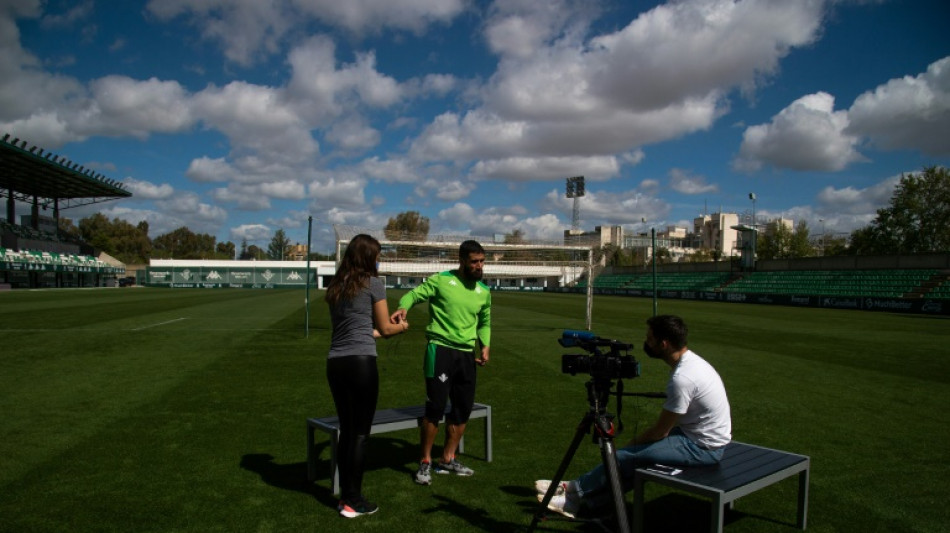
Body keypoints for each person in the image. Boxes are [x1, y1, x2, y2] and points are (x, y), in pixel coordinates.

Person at [537, 314, 731, 518]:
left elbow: (660, 431)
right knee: (636, 463)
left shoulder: (683, 378)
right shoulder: (693, 362)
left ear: (663, 344)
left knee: (623, 457)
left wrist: (633, 444)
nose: (646, 343)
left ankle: (573, 490)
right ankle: (586, 502)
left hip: (703, 447)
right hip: (701, 436)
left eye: (650, 339)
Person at [390, 240, 491, 486]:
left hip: (466, 354)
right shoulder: (441, 280)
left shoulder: (483, 292)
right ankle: (425, 461)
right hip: (441, 350)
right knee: (435, 407)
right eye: (474, 261)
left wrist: (485, 345)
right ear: (462, 260)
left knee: (462, 409)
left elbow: (485, 321)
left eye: (482, 262)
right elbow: (415, 294)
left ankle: (447, 458)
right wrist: (403, 307)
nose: (479, 266)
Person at [325, 234, 409, 518]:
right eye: (377, 255)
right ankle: (352, 500)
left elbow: (358, 328)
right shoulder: (374, 283)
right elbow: (385, 329)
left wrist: (383, 328)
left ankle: (344, 497)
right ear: (368, 257)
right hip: (361, 364)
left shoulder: (336, 286)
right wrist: (402, 326)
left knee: (347, 432)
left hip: (336, 364)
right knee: (360, 434)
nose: (379, 260)